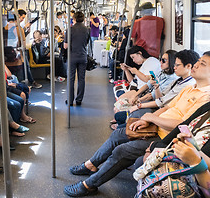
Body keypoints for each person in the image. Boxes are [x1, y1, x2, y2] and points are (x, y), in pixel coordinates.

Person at [64, 52, 210, 197]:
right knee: (118, 135)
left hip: (165, 138)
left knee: (121, 151)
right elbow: (167, 107)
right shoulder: (189, 88)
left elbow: (182, 125)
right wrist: (146, 119)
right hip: (155, 126)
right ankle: (91, 164)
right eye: (198, 61)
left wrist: (152, 118)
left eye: (202, 64)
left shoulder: (205, 98)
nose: (196, 65)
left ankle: (89, 185)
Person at [64, 11, 90, 106]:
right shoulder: (87, 29)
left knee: (71, 79)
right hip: (83, 56)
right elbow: (86, 43)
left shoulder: (70, 29)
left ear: (74, 19)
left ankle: (70, 101)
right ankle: (79, 100)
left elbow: (65, 46)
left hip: (72, 57)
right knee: (81, 79)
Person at [15, 9, 42, 89]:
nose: (23, 20)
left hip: (20, 49)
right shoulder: (16, 27)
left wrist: (26, 32)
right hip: (18, 50)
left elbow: (21, 37)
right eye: (22, 18)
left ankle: (31, 81)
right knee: (24, 66)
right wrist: (24, 29)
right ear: (18, 16)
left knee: (26, 66)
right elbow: (17, 38)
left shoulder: (20, 28)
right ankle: (29, 83)